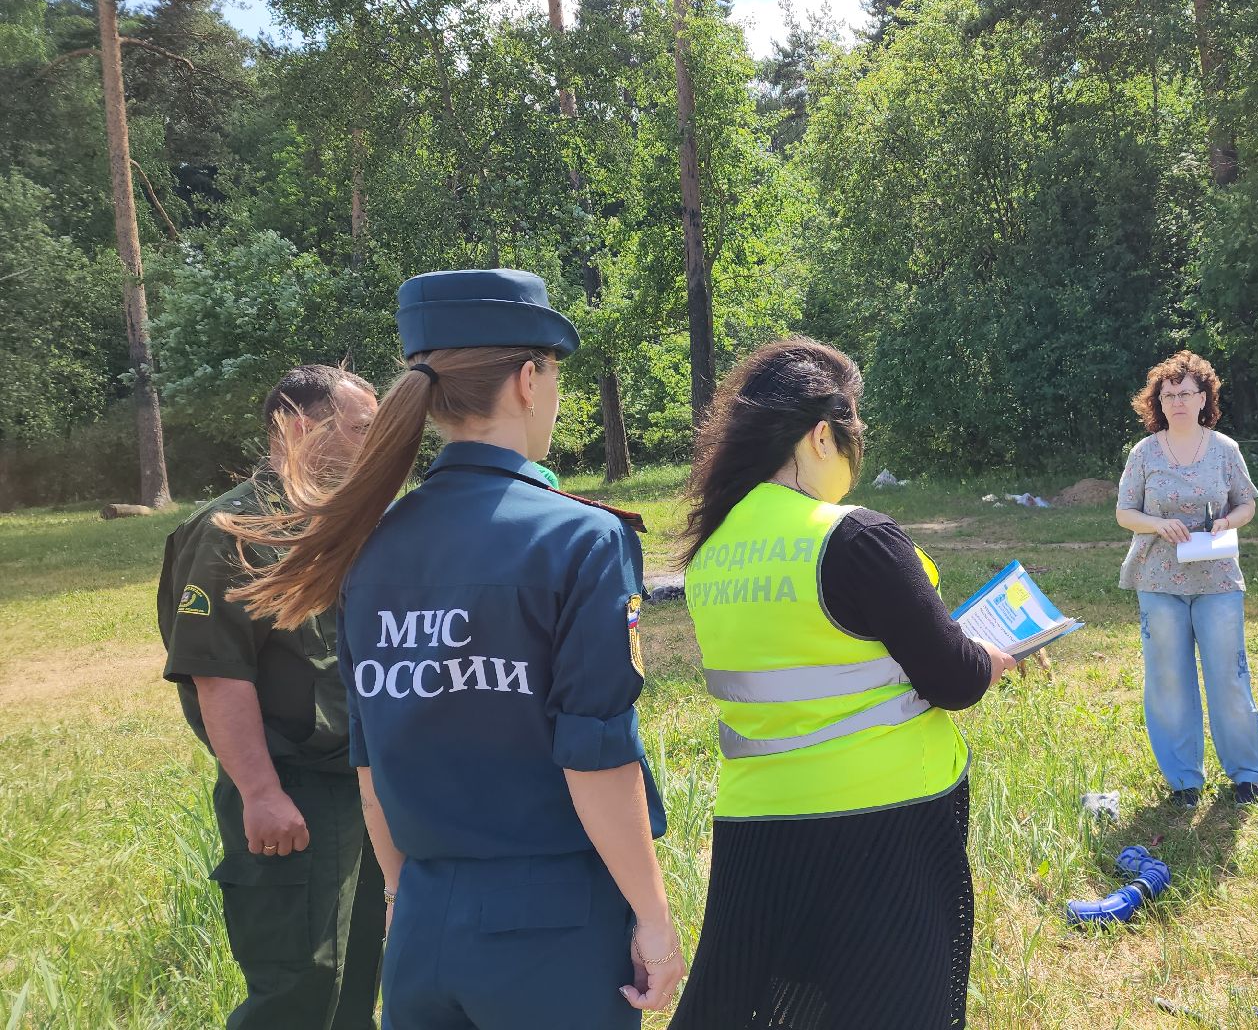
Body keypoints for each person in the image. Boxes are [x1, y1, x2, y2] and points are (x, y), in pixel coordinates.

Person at [219, 268, 685, 1027]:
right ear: (530, 380)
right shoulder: (582, 538)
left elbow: (370, 764)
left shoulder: (369, 541)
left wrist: (406, 901)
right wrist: (655, 920)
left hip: (422, 919)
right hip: (553, 927)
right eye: (554, 376)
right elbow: (595, 754)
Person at [668, 338, 1015, 1030]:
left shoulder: (711, 549)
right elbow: (952, 678)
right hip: (884, 825)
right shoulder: (856, 538)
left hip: (758, 826)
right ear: (823, 434)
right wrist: (992, 657)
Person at [159, 364, 383, 1030]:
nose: (373, 447)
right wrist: (260, 793)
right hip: (294, 789)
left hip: (362, 784)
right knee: (300, 984)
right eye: (359, 430)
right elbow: (219, 673)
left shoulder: (344, 524)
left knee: (359, 972)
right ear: (297, 425)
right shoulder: (235, 530)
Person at [1114, 350, 1258, 807]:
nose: (1178, 401)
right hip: (1159, 580)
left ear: (1204, 398)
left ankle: (1250, 774)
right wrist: (1156, 524)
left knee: (1229, 676)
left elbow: (1247, 502)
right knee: (1168, 679)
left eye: (1187, 393)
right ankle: (1184, 780)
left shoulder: (1226, 450)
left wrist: (1230, 522)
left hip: (1218, 579)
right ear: (1157, 403)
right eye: (1169, 394)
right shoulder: (1144, 454)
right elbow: (1125, 512)